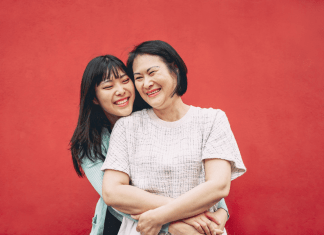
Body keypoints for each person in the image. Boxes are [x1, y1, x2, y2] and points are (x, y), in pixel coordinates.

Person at [70, 55, 230, 235]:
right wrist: (175, 220)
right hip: (123, 224)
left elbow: (201, 175)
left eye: (125, 81)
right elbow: (116, 201)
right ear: (94, 98)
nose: (121, 90)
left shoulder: (153, 118)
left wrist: (221, 210)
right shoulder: (89, 144)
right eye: (108, 87)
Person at [101, 40, 246, 235]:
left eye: (152, 72)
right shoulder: (127, 127)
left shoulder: (211, 120)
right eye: (138, 77)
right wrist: (182, 214)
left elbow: (218, 186)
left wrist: (159, 217)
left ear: (174, 69)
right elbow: (113, 192)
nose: (146, 83)